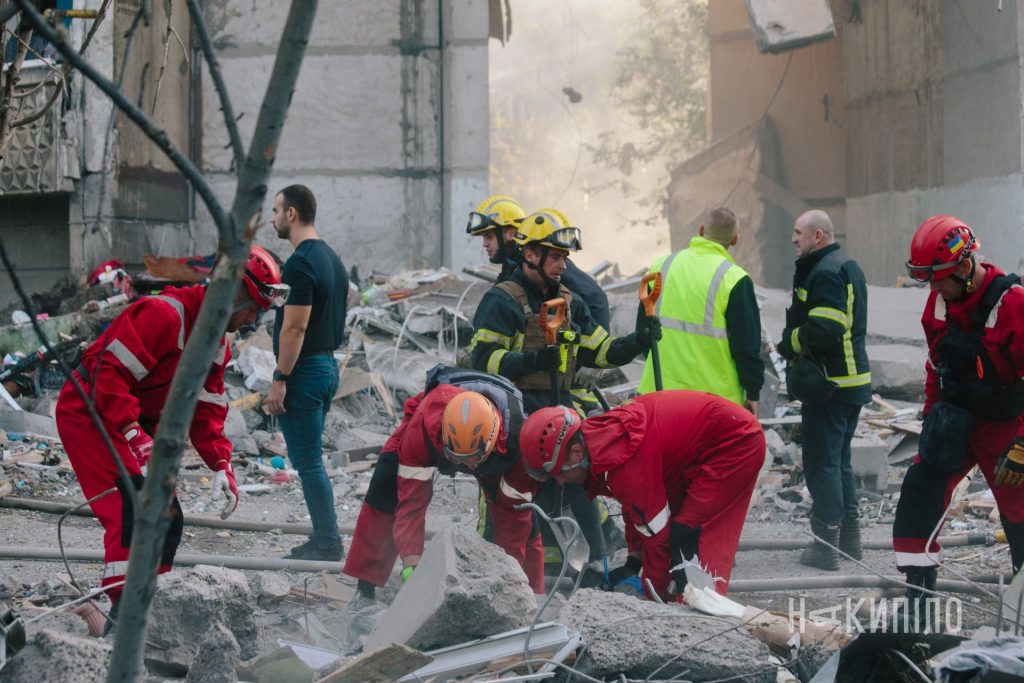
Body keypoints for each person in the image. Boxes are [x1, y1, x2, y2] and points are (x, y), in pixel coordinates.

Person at [54, 246, 287, 615]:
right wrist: (133, 432)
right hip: (91, 411)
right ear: (234, 293)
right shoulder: (166, 315)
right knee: (133, 511)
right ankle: (125, 618)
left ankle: (153, 609)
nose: (253, 320)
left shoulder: (217, 342)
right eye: (254, 308)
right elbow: (105, 370)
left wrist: (220, 465)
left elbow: (206, 410)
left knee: (169, 517)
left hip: (131, 422)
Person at [469, 208, 659, 579]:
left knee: (577, 485)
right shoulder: (502, 300)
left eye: (564, 257)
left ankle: (591, 567)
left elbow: (600, 351)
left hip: (559, 412)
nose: (562, 265)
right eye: (555, 256)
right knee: (510, 494)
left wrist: (636, 341)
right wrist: (534, 359)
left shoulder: (570, 302)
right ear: (530, 254)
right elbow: (483, 359)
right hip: (515, 413)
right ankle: (496, 568)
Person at [894, 216, 1024, 620]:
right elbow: (938, 366)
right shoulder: (938, 303)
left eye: (939, 279)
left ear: (966, 267)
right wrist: (933, 419)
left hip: (1007, 423)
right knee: (920, 490)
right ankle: (918, 603)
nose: (933, 289)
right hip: (956, 418)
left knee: (1020, 508)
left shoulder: (1014, 305)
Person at [518, 390, 765, 600]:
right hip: (702, 447)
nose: (560, 481)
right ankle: (684, 601)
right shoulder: (606, 442)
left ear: (575, 451)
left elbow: (658, 536)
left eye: (559, 472)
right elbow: (634, 509)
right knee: (676, 542)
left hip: (733, 443)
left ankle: (702, 616)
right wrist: (634, 563)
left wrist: (649, 594)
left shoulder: (626, 465)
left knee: (689, 537)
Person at [343, 371, 542, 600]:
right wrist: (412, 563)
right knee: (385, 487)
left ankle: (531, 595)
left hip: (500, 452)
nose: (462, 466)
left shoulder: (517, 446)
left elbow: (513, 520)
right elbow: (411, 502)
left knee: (522, 513)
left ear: (490, 443)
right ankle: (364, 590)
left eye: (469, 460)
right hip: (430, 428)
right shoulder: (425, 428)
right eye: (456, 459)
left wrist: (509, 578)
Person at [777, 209, 871, 571]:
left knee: (821, 465)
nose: (793, 239)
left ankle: (826, 546)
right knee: (839, 462)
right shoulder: (841, 264)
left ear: (819, 235)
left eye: (799, 232)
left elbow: (825, 328)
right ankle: (850, 542)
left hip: (832, 385)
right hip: (850, 384)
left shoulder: (827, 271)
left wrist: (790, 342)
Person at [264, 185, 350, 561]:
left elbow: (295, 328)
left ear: (292, 214)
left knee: (309, 461)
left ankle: (328, 542)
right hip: (327, 365)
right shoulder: (332, 258)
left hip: (304, 370)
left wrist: (280, 378)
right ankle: (325, 537)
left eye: (276, 210)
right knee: (311, 458)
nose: (273, 218)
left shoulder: (299, 263)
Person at [637, 207, 763, 414]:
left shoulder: (661, 265)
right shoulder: (735, 280)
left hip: (659, 392)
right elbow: (747, 347)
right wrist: (753, 393)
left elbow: (642, 331)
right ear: (735, 239)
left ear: (701, 230)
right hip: (714, 401)